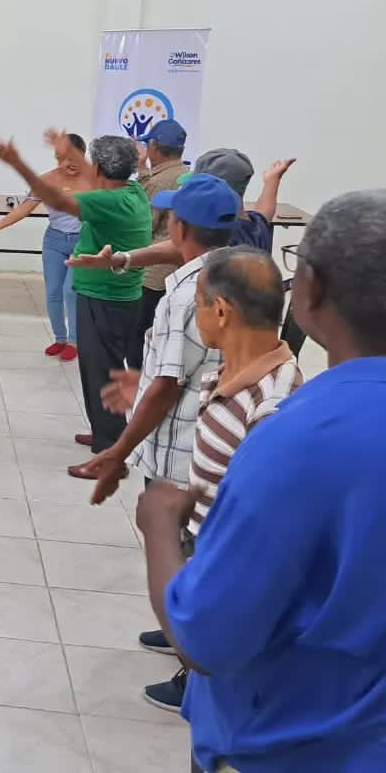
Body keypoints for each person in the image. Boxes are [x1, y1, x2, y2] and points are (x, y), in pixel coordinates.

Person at [138, 190, 386, 773]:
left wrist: (161, 527)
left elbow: (206, 640)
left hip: (296, 744)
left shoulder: (297, 439)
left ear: (310, 291)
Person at [128, 247, 304, 717]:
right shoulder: (222, 376)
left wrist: (162, 529)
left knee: (211, 677)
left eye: (199, 304)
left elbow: (262, 536)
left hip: (229, 580)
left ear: (221, 311)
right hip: (206, 551)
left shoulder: (272, 406)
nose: (196, 313)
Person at [74, 175, 238, 496]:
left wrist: (119, 450)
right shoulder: (241, 271)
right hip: (218, 449)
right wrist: (124, 259)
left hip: (179, 462)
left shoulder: (185, 299)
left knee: (167, 526)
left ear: (181, 229)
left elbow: (164, 389)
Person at [0, 134, 151, 454]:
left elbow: (59, 200)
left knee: (100, 372)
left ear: (98, 168)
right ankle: (106, 430)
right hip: (116, 296)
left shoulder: (106, 201)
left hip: (104, 298)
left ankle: (109, 448)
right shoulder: (133, 191)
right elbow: (98, 176)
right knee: (101, 370)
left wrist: (17, 162)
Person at [70, 152, 296, 275]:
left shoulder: (214, 243)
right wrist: (272, 181)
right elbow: (265, 210)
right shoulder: (255, 226)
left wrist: (120, 258)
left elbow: (166, 250)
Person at [0, 130, 93, 360]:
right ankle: (60, 338)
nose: (67, 164)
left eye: (72, 157)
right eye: (61, 159)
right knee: (53, 292)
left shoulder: (94, 181)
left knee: (70, 291)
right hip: (54, 241)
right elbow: (23, 209)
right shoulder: (47, 180)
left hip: (83, 241)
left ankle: (74, 341)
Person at [129, 119, 191, 371]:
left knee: (139, 336)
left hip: (153, 273)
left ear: (154, 146)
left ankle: (138, 383)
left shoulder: (159, 182)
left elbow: (144, 226)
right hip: (179, 269)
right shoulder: (187, 175)